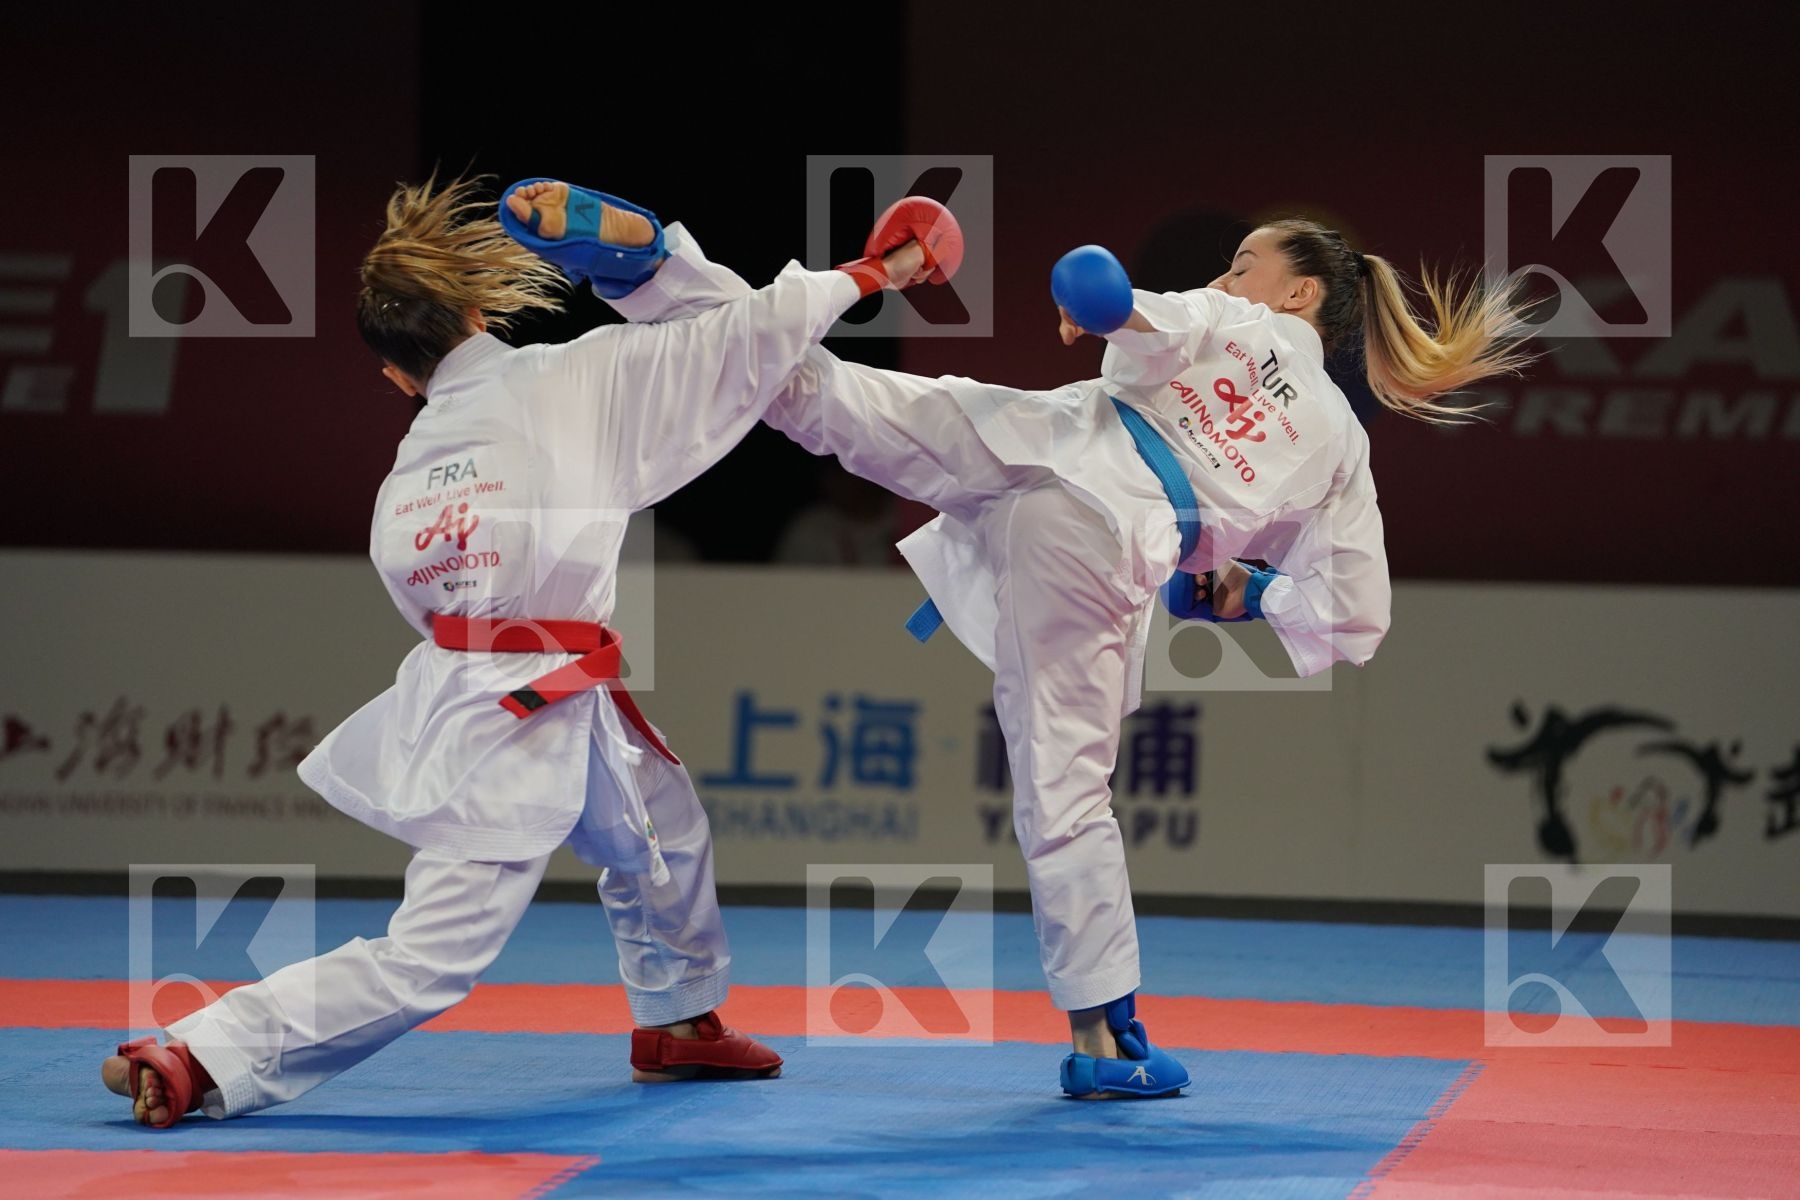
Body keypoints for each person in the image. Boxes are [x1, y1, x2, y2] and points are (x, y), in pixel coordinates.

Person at [599, 215, 1530, 1099]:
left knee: (819, 393)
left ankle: (654, 271)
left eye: (1245, 261)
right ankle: (1104, 1041)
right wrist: (1254, 594)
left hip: (1027, 441)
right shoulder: (1343, 450)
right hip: (1097, 533)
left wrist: (1110, 305)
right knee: (1065, 789)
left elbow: (1140, 315)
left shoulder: (1243, 320)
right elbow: (1355, 618)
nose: (1226, 273)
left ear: (1300, 295)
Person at [101, 173, 949, 1127]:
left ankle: (680, 1023)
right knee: (433, 957)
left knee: (661, 834)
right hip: (512, 714)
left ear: (394, 374)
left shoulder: (413, 467)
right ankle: (202, 1053)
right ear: (474, 310)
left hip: (497, 685)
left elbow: (418, 593)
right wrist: (877, 272)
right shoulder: (564, 379)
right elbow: (740, 335)